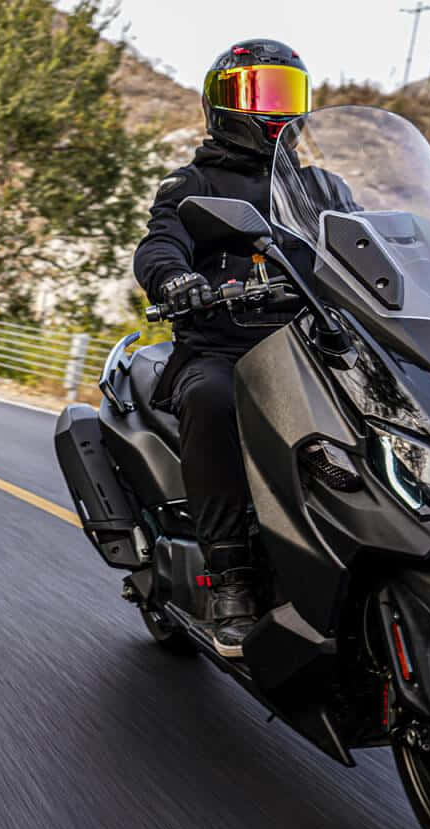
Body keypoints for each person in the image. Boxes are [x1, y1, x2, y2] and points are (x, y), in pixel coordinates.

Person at [131, 39, 312, 657]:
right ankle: (229, 579)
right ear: (222, 107)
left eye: (286, 93)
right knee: (211, 399)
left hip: (310, 346)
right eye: (258, 94)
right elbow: (160, 243)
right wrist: (176, 279)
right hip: (222, 349)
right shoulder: (195, 181)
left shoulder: (317, 187)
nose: (274, 111)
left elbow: (374, 244)